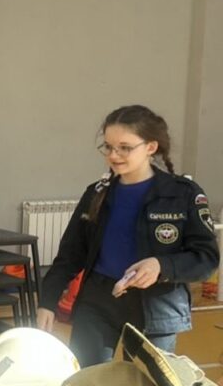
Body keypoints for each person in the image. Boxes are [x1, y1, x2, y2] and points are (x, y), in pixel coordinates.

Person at [37, 105, 219, 367]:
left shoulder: (183, 194)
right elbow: (70, 254)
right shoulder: (96, 193)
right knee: (88, 382)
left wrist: (161, 265)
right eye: (108, 147)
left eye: (125, 147)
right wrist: (48, 301)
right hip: (97, 303)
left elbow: (206, 257)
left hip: (156, 307)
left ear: (151, 147)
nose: (114, 155)